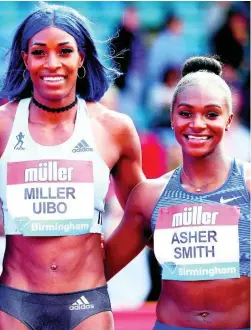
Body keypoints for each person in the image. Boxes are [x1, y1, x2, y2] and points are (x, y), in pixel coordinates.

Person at [0, 4, 144, 330]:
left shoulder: (114, 128)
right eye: (39, 52)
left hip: (87, 303)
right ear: (25, 59)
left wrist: (98, 269)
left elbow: (142, 213)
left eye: (64, 51)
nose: (52, 63)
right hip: (15, 301)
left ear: (81, 57)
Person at [105, 56, 250, 330]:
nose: (197, 124)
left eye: (211, 114)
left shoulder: (248, 185)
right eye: (185, 113)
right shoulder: (149, 196)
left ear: (229, 119)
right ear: (172, 118)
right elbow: (97, 272)